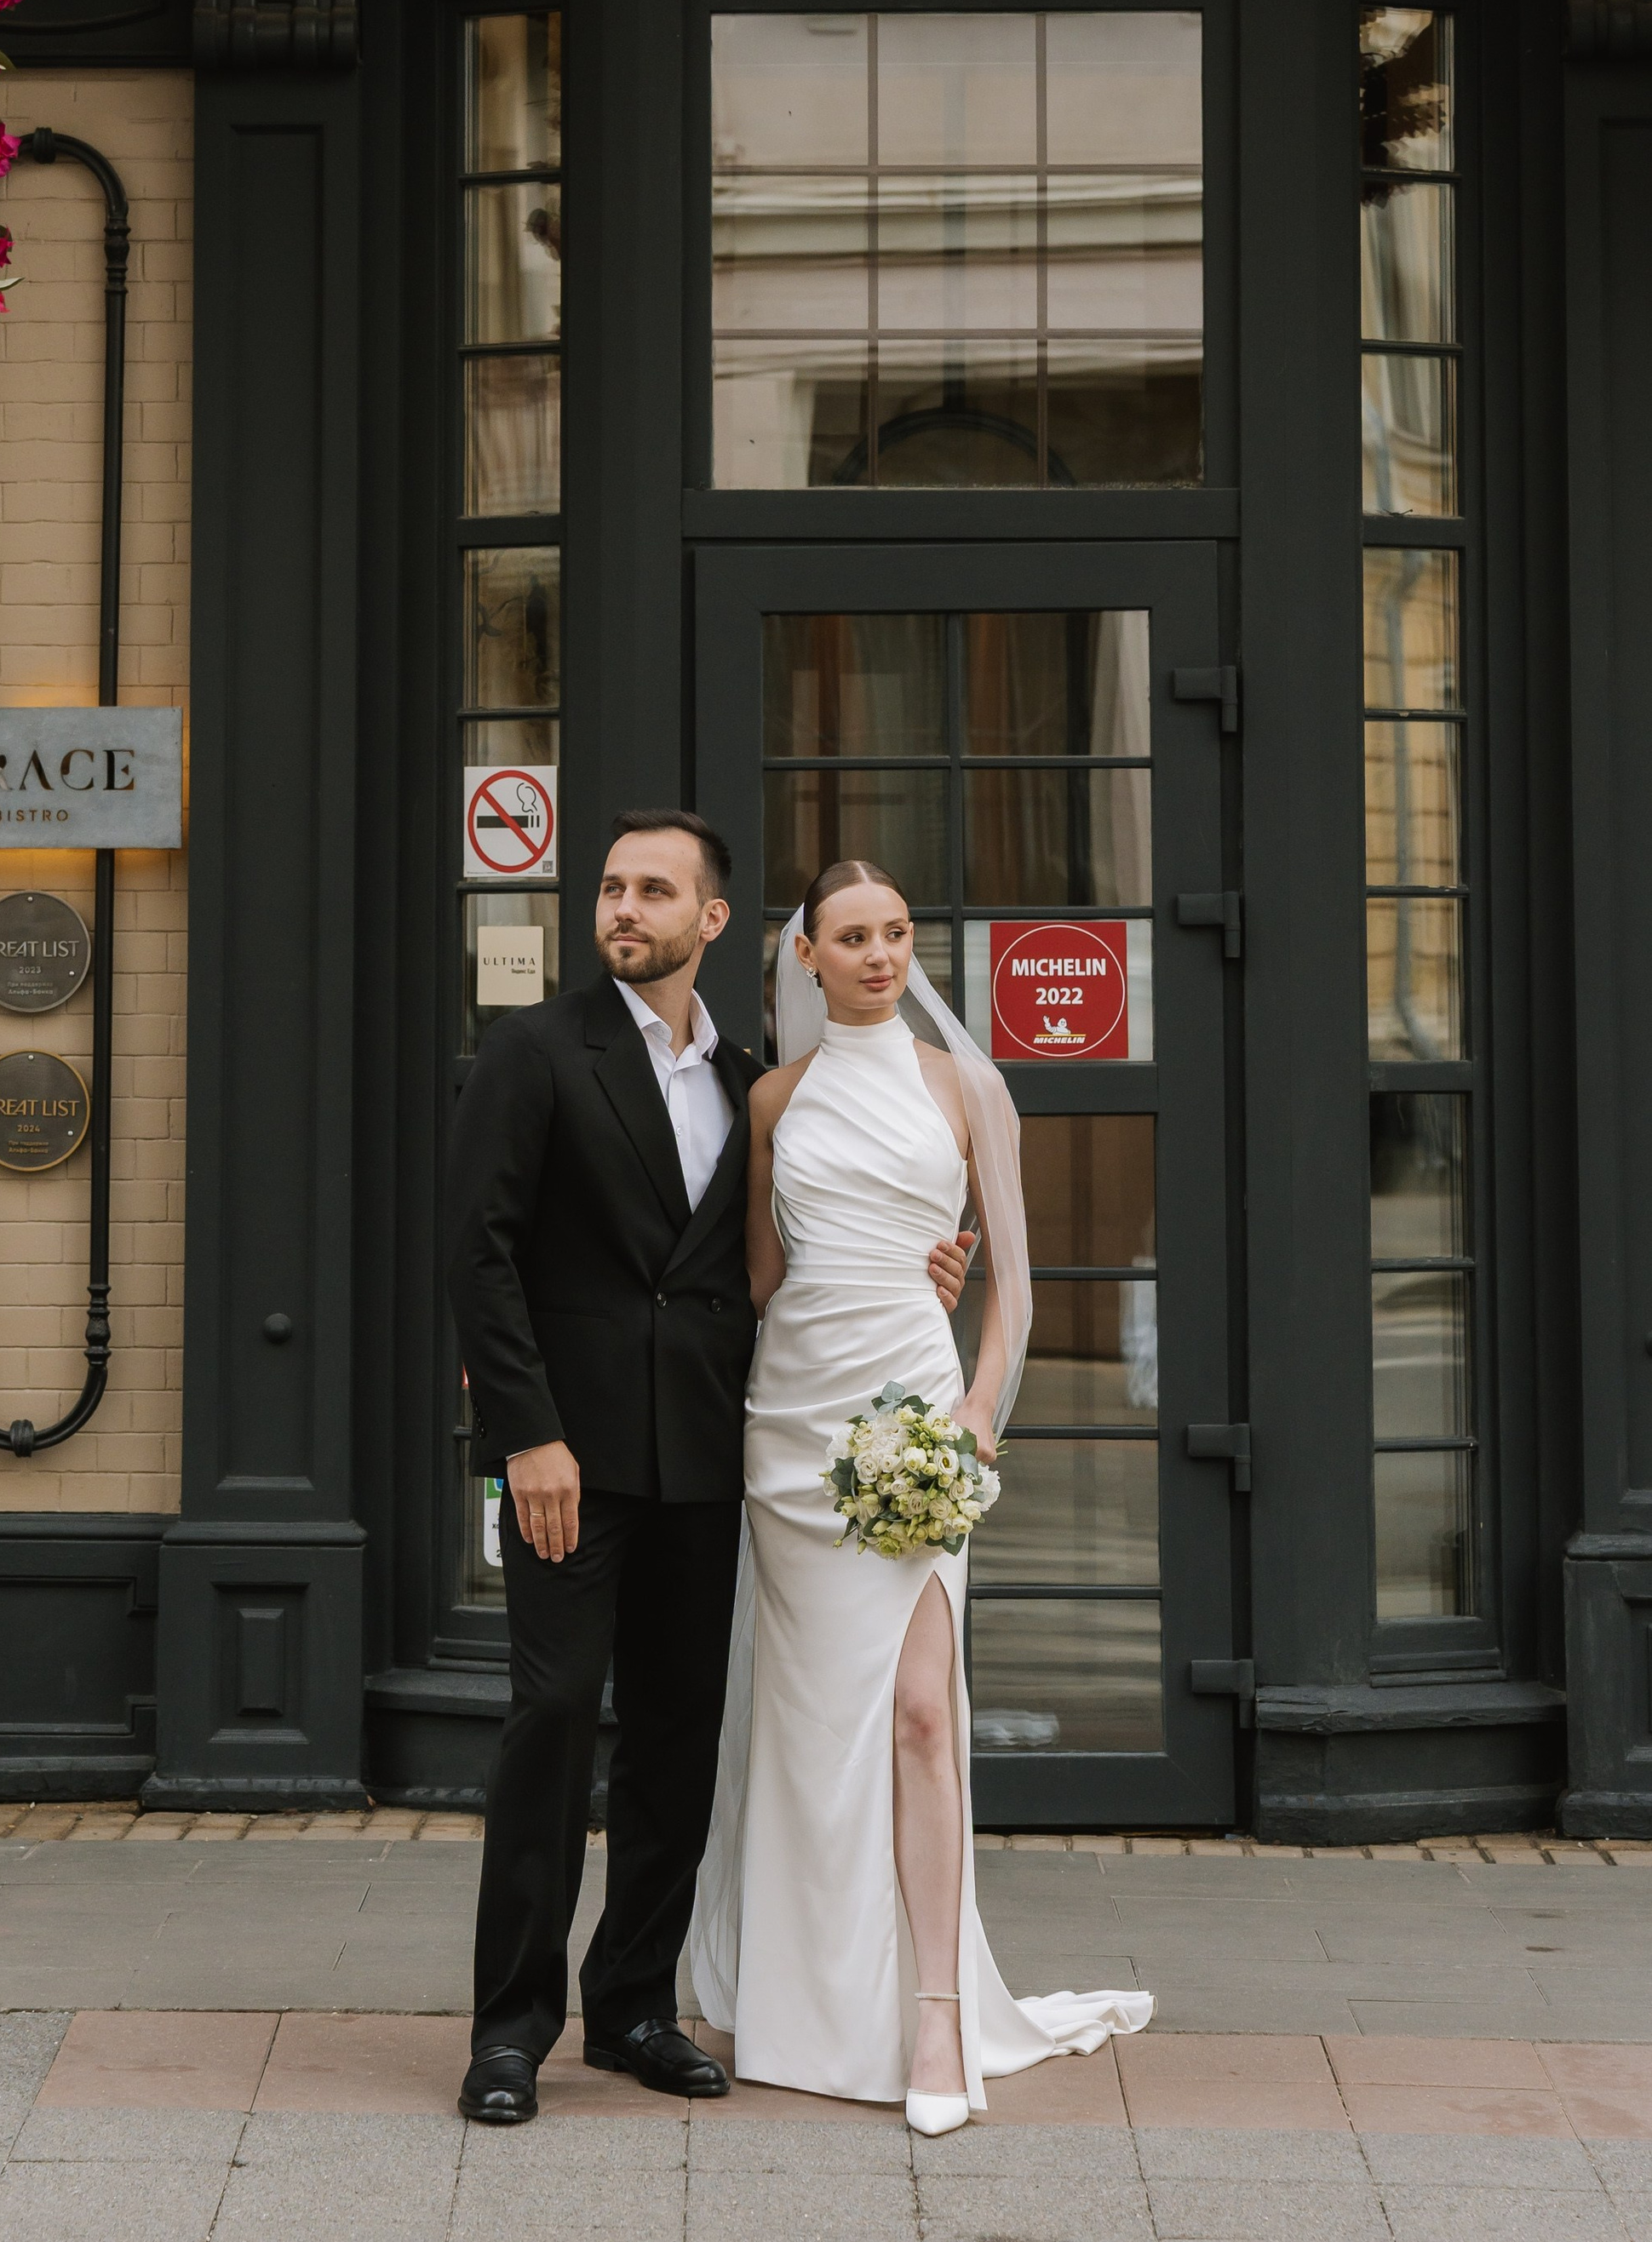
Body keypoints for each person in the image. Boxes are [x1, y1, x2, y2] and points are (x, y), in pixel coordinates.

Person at [445, 810, 967, 2127]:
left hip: (710, 1459)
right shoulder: (531, 1052)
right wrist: (527, 1436)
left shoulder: (746, 1079)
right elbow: (479, 1256)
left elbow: (759, 1275)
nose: (623, 908)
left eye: (653, 892)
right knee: (554, 1721)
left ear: (711, 922)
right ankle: (510, 2030)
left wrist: (919, 1276)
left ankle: (631, 2006)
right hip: (567, 1460)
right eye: (613, 888)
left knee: (678, 1740)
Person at [688, 857, 1152, 2134]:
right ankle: (799, 1997)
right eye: (853, 937)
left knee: (921, 1715)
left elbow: (1023, 1290)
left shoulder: (968, 1085)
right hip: (791, 1427)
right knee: (804, 1725)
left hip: (913, 1410)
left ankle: (939, 2015)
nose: (882, 955)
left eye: (896, 933)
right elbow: (765, 1283)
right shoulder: (774, 1099)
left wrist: (969, 1421)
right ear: (809, 960)